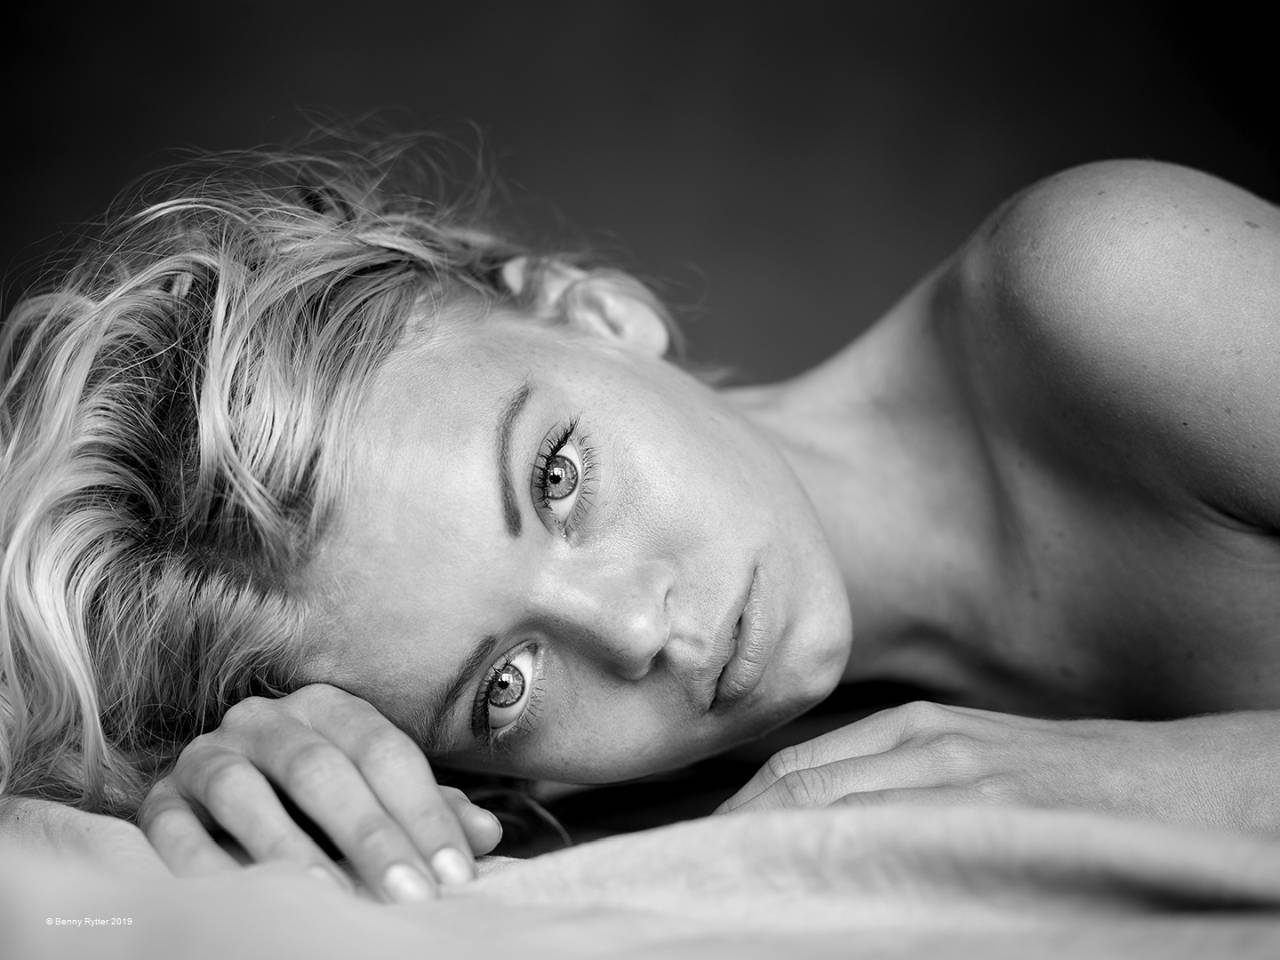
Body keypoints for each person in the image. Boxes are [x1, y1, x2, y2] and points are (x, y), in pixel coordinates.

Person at [2, 139, 1278, 905]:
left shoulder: (1102, 285)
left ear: (591, 310)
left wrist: (1148, 786)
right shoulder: (635, 824)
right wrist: (271, 788)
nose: (631, 632)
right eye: (504, 685)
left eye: (557, 478)